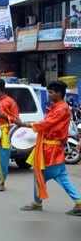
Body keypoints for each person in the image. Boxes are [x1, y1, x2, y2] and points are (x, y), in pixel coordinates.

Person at [16, 81, 81, 216]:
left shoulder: (61, 109)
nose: (49, 95)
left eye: (51, 92)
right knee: (57, 176)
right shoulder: (57, 107)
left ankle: (38, 202)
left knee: (46, 175)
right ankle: (76, 202)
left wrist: (24, 124)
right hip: (51, 148)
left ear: (59, 93)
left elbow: (46, 124)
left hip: (51, 150)